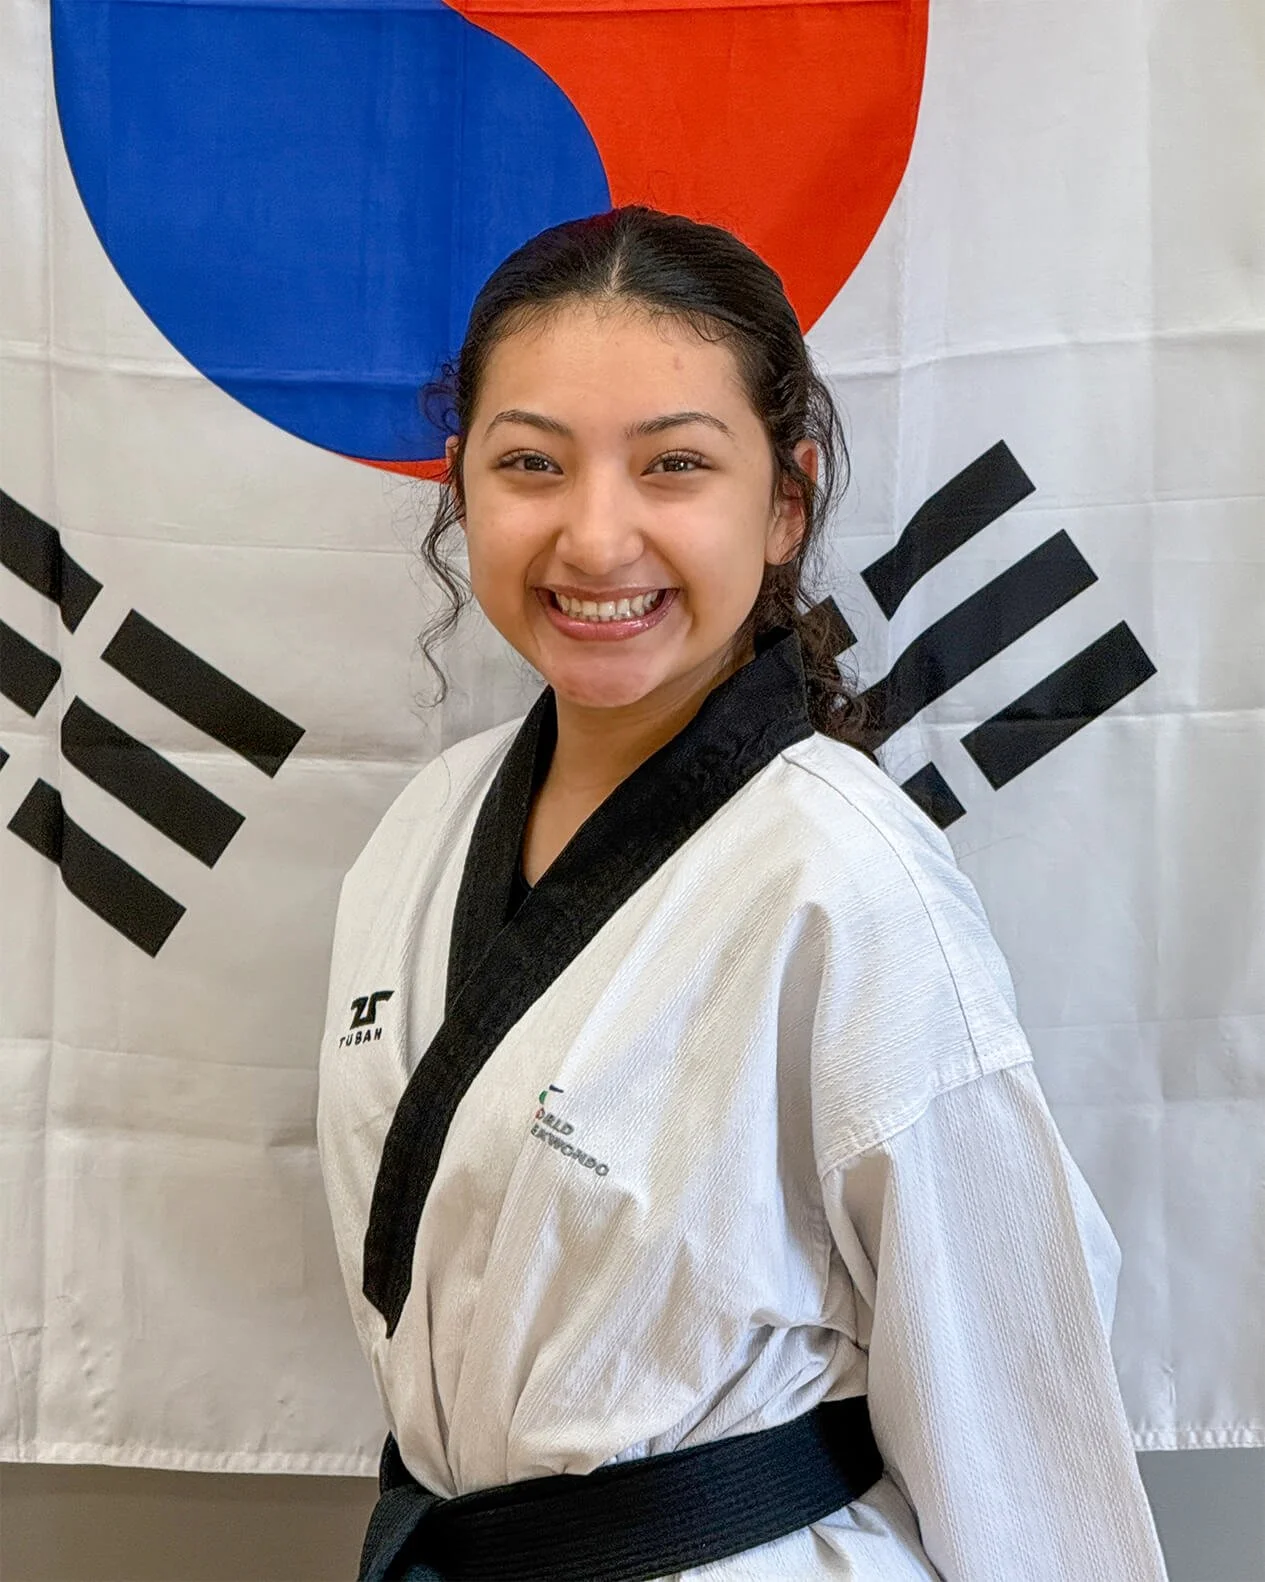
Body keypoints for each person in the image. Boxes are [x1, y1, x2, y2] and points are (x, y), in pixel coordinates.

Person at [316, 205, 1169, 1581]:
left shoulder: (849, 878)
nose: (596, 538)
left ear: (783, 504)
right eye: (531, 462)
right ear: (460, 486)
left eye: (674, 466)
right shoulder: (423, 828)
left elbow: (1018, 1400)